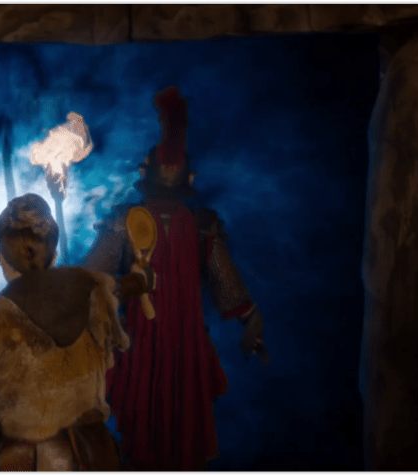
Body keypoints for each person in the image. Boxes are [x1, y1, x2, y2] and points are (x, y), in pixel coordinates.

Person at [81, 86, 270, 471]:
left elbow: (89, 280)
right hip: (158, 343)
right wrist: (251, 319)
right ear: (190, 177)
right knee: (170, 433)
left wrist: (73, 291)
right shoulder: (196, 226)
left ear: (144, 172)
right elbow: (229, 289)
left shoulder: (135, 222)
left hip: (165, 344)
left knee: (153, 435)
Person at [0, 193, 153, 471]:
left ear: (0, 257)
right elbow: (133, 284)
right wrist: (143, 278)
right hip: (97, 457)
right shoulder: (95, 289)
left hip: (24, 461)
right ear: (55, 255)